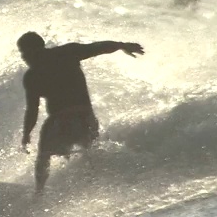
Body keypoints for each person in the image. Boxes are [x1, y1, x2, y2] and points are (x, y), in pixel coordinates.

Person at [17, 31, 144, 193]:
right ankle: (95, 184)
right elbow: (98, 48)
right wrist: (121, 45)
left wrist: (27, 134)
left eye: (24, 52)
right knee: (89, 152)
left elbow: (33, 110)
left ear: (35, 49)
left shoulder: (33, 75)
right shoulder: (66, 53)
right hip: (86, 119)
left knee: (44, 155)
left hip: (61, 122)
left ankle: (39, 192)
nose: (23, 57)